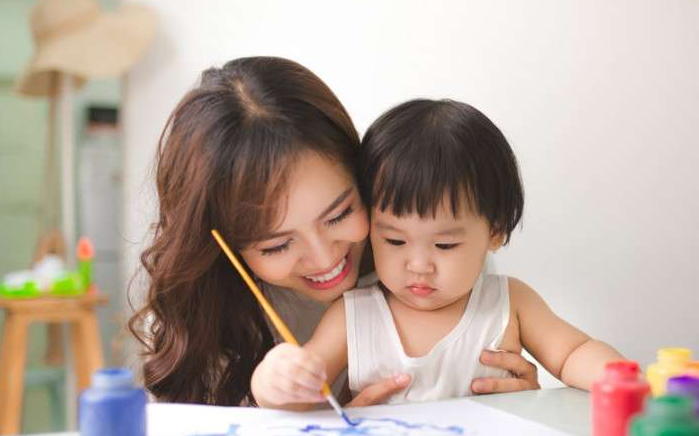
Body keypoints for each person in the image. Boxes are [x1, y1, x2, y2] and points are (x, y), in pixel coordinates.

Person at [130, 57, 540, 407]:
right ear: (222, 245)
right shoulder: (195, 322)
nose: (325, 258)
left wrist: (516, 398)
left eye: (339, 214)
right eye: (277, 244)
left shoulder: (429, 255)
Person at [252, 98, 624, 409]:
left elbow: (573, 353)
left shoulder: (509, 303)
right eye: (394, 241)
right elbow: (302, 390)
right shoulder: (353, 315)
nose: (418, 265)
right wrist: (276, 381)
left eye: (445, 245)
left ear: (495, 232)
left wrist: (625, 381)